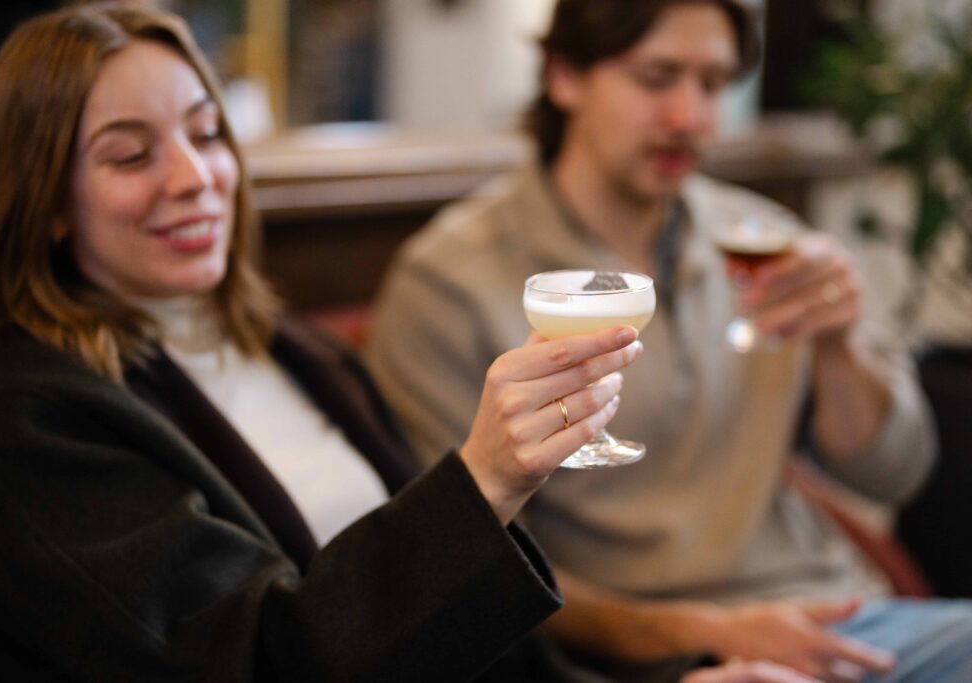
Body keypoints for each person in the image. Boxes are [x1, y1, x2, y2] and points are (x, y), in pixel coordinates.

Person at [0, 4, 648, 681]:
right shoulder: (24, 414)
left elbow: (459, 631)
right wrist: (483, 481)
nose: (195, 177)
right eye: (131, 155)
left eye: (207, 133)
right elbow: (257, 658)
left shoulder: (300, 351)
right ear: (48, 204)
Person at [365, 0, 972, 681]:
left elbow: (892, 472)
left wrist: (838, 346)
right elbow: (463, 571)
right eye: (657, 78)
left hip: (841, 615)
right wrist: (708, 631)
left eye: (712, 84)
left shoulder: (763, 239)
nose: (690, 117)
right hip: (662, 652)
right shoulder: (451, 280)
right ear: (565, 75)